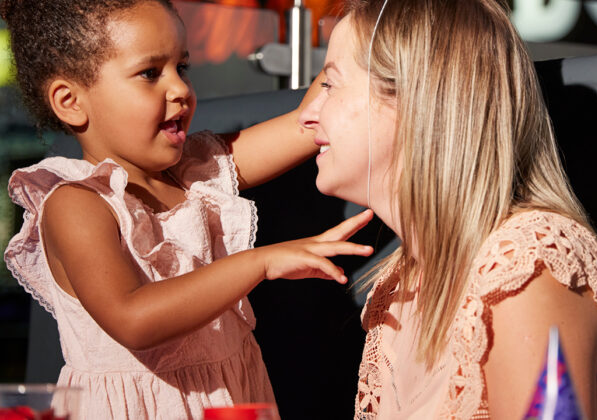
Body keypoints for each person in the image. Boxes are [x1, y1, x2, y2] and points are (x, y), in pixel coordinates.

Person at [0, 0, 375, 418]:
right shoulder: (76, 203)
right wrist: (260, 263)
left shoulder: (199, 170)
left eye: (182, 67)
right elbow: (134, 318)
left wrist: (366, 23)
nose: (179, 88)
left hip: (232, 396)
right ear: (70, 101)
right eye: (149, 73)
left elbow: (304, 124)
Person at [298, 0, 597, 418]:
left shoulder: (526, 264)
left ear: (413, 99)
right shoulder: (395, 289)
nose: (306, 118)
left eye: (329, 84)